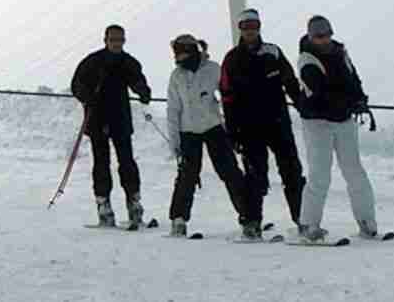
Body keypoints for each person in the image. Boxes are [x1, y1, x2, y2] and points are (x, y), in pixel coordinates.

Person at [220, 9, 305, 230]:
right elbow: (227, 98)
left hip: (278, 123)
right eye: (246, 26)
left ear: (259, 26)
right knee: (256, 176)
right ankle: (252, 222)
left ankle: (304, 220)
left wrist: (304, 106)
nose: (250, 30)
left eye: (254, 25)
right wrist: (232, 132)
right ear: (240, 29)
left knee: (292, 172)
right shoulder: (231, 59)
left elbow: (291, 82)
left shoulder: (273, 52)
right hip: (249, 128)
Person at [295, 15, 378, 242]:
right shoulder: (307, 60)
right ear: (311, 37)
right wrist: (350, 102)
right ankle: (308, 226)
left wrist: (360, 99)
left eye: (327, 34)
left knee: (355, 171)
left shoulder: (340, 52)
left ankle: (367, 223)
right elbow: (322, 93)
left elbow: (352, 78)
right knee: (320, 174)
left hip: (343, 120)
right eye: (319, 36)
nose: (325, 40)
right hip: (317, 122)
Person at [166, 34, 258, 238]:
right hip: (188, 131)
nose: (178, 57)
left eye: (181, 52)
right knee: (187, 176)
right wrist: (175, 141)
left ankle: (249, 218)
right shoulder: (177, 76)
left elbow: (228, 96)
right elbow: (173, 109)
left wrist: (235, 125)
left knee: (230, 172)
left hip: (213, 127)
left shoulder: (213, 69)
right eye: (176, 53)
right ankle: (178, 219)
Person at [71, 24, 152, 228]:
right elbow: (77, 85)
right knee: (101, 162)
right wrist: (87, 97)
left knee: (127, 161)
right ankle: (103, 205)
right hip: (97, 118)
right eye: (113, 40)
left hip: (120, 118)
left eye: (120, 40)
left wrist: (143, 91)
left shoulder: (128, 62)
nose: (117, 43)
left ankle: (134, 202)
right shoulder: (92, 62)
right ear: (105, 40)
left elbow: (137, 80)